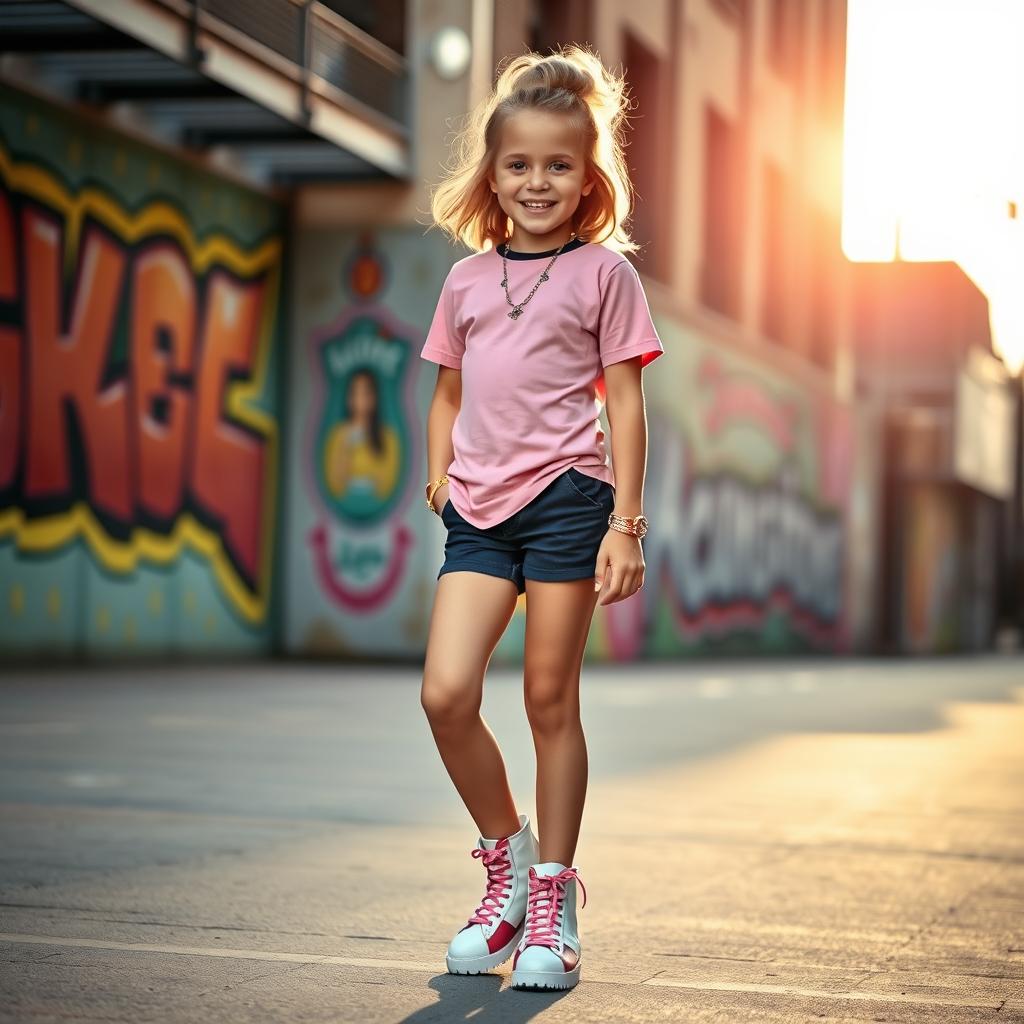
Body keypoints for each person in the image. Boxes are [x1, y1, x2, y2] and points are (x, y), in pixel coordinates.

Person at [419, 44, 664, 993]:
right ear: (492, 173)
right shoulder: (467, 283)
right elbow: (445, 394)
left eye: (559, 164)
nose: (537, 181)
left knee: (547, 701)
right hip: (479, 512)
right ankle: (507, 864)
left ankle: (555, 905)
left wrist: (626, 525)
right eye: (518, 164)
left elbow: (627, 402)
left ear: (588, 175)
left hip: (569, 502)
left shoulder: (605, 275)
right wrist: (440, 469)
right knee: (446, 694)